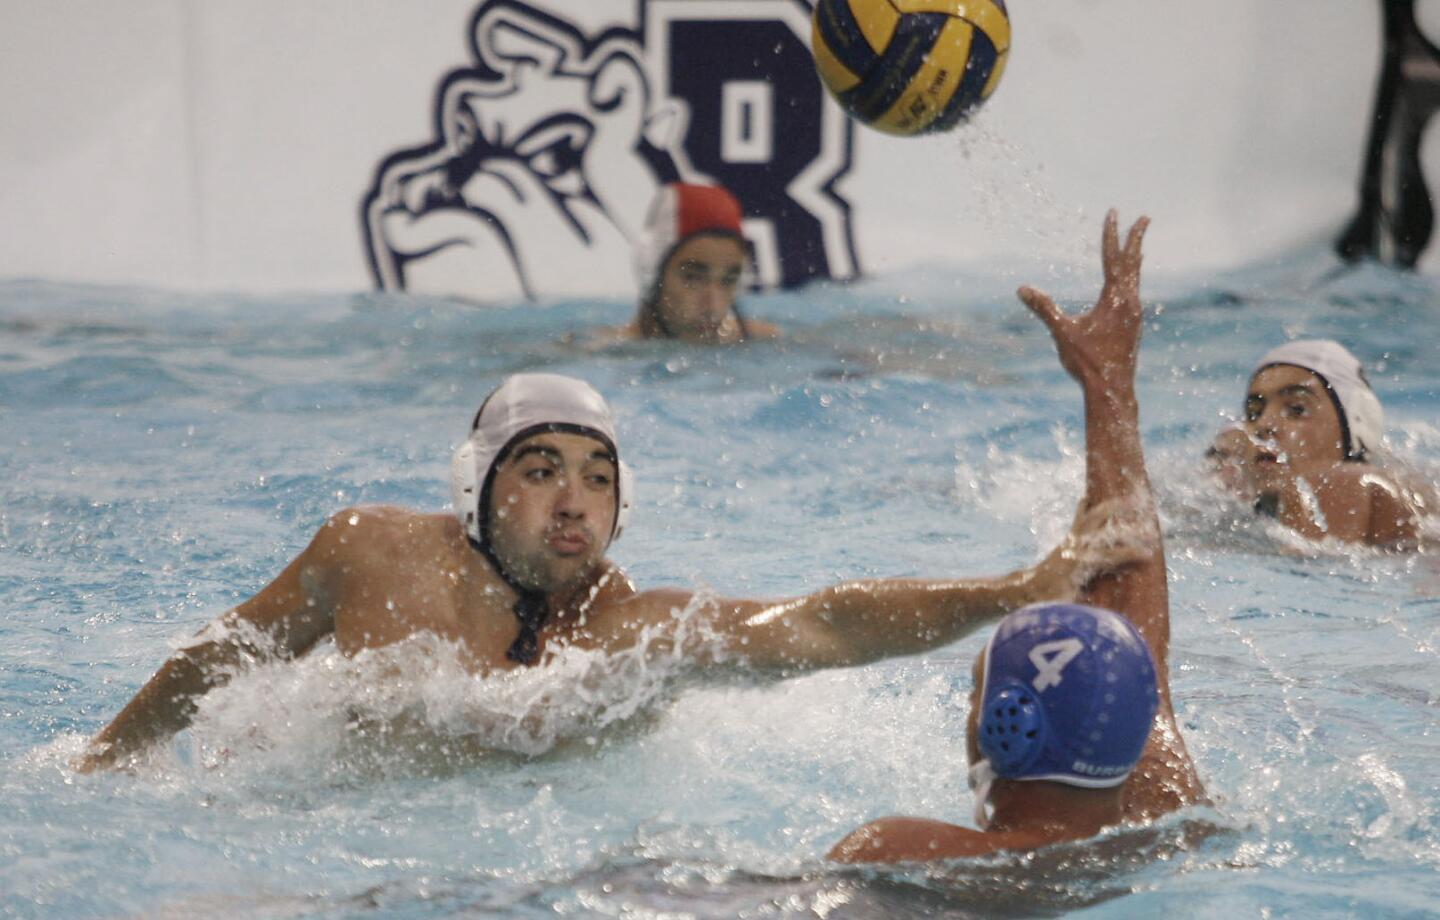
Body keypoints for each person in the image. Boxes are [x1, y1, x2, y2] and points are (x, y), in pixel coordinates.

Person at [75, 371, 1140, 772]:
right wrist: (108, 757)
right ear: (479, 489)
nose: (575, 498)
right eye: (540, 470)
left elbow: (823, 623)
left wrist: (1013, 590)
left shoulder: (630, 635)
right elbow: (228, 649)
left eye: (597, 475)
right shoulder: (367, 549)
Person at [829, 212, 1207, 862]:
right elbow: (1134, 637)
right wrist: (1107, 385)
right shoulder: (1170, 813)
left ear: (1010, 727)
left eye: (977, 691)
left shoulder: (904, 856)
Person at [1207, 339, 1432, 548]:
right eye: (1254, 413)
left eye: (1296, 410)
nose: (1264, 425)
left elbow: (1304, 572)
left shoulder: (1348, 479)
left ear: (1353, 427)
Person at [615, 182, 779, 344]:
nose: (713, 306)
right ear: (651, 272)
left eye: (728, 280)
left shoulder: (762, 339)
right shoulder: (607, 354)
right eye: (693, 278)